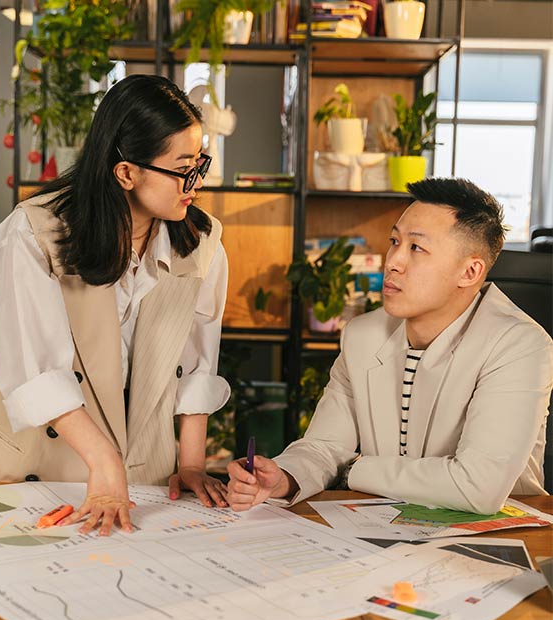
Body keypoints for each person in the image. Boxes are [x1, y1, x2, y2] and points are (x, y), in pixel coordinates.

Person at [0, 75, 231, 535]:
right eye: (184, 168)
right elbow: (35, 373)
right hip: (38, 468)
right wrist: (104, 460)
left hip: (144, 476)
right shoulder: (34, 232)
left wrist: (190, 464)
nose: (197, 182)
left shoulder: (202, 241)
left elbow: (195, 365)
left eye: (199, 163)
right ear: (126, 173)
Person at [227, 177, 553, 515]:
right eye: (394, 241)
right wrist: (285, 477)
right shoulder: (362, 336)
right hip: (385, 521)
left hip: (498, 535)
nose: (393, 261)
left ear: (470, 272)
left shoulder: (520, 345)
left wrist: (353, 470)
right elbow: (325, 446)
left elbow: (477, 486)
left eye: (416, 248)